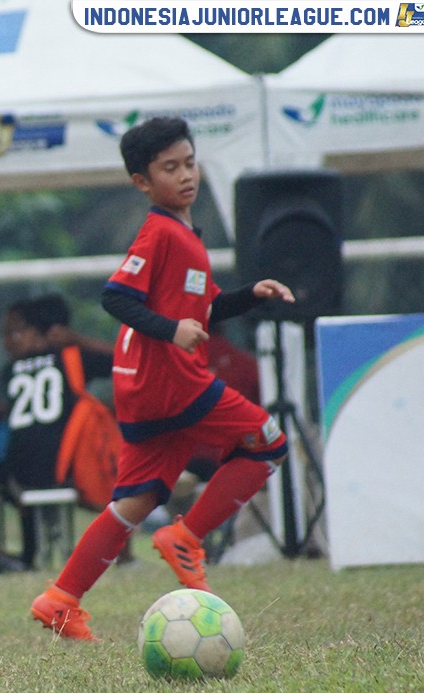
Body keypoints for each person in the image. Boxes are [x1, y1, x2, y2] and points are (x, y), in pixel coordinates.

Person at [30, 116, 295, 641]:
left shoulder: (184, 238)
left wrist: (250, 295)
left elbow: (204, 311)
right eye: (169, 168)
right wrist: (172, 331)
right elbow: (116, 297)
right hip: (168, 381)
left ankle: (59, 599)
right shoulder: (160, 235)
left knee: (139, 496)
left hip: (147, 388)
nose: (185, 175)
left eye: (190, 163)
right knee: (268, 441)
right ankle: (187, 537)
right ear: (143, 183)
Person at [1, 294, 113, 568]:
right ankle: (120, 555)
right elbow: (122, 360)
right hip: (67, 468)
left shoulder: (10, 369)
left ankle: (29, 555)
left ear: (38, 331)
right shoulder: (73, 357)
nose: (9, 341)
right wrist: (80, 340)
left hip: (20, 472)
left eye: (16, 332)